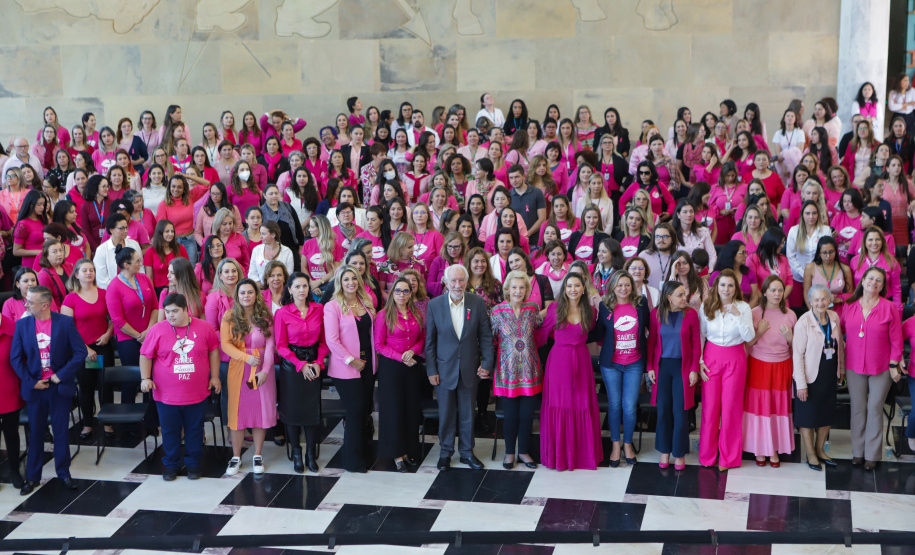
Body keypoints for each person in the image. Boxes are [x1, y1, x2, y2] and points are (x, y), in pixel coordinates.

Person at [11, 285, 88, 495]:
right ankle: (33, 477)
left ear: (44, 305)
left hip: (59, 387)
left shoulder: (64, 323)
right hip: (36, 389)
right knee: (35, 434)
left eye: (30, 301)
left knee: (61, 432)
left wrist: (60, 375)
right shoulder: (23, 325)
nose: (26, 304)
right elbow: (15, 359)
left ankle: (63, 473)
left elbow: (80, 352)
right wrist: (30, 381)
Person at [139, 293, 220, 481]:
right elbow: (145, 355)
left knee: (195, 430)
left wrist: (215, 376)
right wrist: (145, 378)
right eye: (167, 312)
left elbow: (214, 351)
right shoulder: (157, 330)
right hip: (166, 394)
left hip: (197, 393)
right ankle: (171, 465)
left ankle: (193, 465)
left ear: (186, 310)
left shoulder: (204, 327)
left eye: (175, 311)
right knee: (169, 431)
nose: (170, 315)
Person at [425, 264, 494, 471]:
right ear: (445, 282)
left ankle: (466, 453)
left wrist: (487, 363)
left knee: (467, 414)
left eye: (461, 280)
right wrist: (431, 370)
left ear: (467, 282)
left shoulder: (477, 302)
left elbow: (486, 337)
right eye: (453, 280)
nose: (457, 284)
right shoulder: (434, 305)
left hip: (469, 369)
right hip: (444, 370)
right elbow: (430, 342)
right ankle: (445, 454)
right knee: (446, 414)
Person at [537, 272, 601, 470]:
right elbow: (541, 336)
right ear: (564, 289)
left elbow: (594, 332)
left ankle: (582, 456)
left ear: (583, 289)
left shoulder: (591, 311)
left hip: (581, 362)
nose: (573, 289)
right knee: (559, 404)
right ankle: (559, 456)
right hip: (558, 363)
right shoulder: (555, 308)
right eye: (569, 286)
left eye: (577, 285)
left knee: (582, 404)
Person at [840, 266, 903, 470]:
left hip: (882, 367)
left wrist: (894, 364)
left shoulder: (888, 307)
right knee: (858, 409)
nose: (874, 283)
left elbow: (896, 340)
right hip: (853, 365)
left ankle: (872, 455)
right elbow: (840, 330)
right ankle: (857, 452)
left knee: (875, 408)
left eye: (879, 280)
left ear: (883, 286)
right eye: (871, 278)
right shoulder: (849, 305)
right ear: (863, 280)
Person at [592, 271, 649, 467]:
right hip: (611, 364)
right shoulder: (605, 305)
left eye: (627, 285)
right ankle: (615, 445)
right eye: (619, 285)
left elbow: (651, 328)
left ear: (632, 286)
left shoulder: (641, 304)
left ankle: (627, 445)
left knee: (630, 407)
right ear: (612, 287)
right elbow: (599, 331)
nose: (623, 289)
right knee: (615, 406)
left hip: (635, 363)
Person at [698, 269, 754, 471]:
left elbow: (748, 337)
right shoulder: (706, 306)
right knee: (710, 409)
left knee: (731, 408)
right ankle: (707, 455)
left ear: (735, 288)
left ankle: (728, 457)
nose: (726, 289)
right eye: (723, 284)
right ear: (716, 286)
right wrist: (700, 360)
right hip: (711, 358)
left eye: (730, 285)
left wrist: (737, 315)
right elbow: (700, 335)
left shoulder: (744, 307)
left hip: (735, 358)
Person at [221, 278, 276, 476]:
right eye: (242, 292)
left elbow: (270, 345)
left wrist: (265, 370)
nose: (246, 296)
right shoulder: (229, 315)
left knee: (260, 412)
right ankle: (236, 456)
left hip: (262, 369)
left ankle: (258, 455)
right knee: (237, 412)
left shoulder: (265, 316)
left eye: (250, 292)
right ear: (237, 296)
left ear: (256, 294)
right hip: (239, 368)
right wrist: (246, 358)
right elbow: (225, 344)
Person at [324, 265, 376, 473]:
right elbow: (332, 340)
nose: (351, 283)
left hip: (368, 365)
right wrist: (350, 360)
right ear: (340, 282)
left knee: (364, 411)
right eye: (346, 279)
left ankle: (364, 451)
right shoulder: (333, 306)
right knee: (354, 411)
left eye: (353, 279)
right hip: (346, 368)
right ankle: (352, 461)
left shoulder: (366, 302)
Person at [274, 272, 328, 473]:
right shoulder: (282, 313)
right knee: (293, 410)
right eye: (297, 286)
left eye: (305, 286)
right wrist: (300, 364)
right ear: (289, 289)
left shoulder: (319, 309)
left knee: (311, 410)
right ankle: (296, 453)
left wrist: (318, 362)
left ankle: (310, 455)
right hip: (292, 364)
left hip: (314, 361)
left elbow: (324, 342)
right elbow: (281, 346)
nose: (302, 290)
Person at [743, 275, 796, 467]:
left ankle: (773, 448)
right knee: (760, 407)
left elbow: (796, 348)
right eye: (773, 290)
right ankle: (759, 448)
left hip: (782, 366)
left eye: (780, 290)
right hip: (759, 365)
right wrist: (759, 332)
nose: (777, 294)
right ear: (764, 292)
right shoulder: (755, 313)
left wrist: (791, 338)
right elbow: (746, 343)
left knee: (776, 407)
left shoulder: (790, 315)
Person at [647, 281, 700, 470]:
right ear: (668, 297)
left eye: (684, 294)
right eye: (680, 295)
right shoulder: (656, 314)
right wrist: (650, 367)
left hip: (683, 367)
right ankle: (664, 450)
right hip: (662, 367)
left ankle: (678, 453)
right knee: (663, 411)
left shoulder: (691, 314)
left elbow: (695, 343)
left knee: (681, 411)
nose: (684, 298)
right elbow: (652, 341)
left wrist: (694, 369)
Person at [374, 276, 425, 472]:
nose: (401, 294)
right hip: (392, 368)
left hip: (412, 366)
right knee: (393, 411)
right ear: (392, 293)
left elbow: (422, 338)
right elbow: (379, 345)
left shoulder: (416, 313)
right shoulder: (383, 315)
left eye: (405, 291)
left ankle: (408, 450)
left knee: (410, 410)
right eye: (398, 291)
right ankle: (396, 454)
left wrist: (413, 351)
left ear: (411, 293)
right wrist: (400, 357)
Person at [793, 285, 844, 471]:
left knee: (826, 414)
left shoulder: (834, 317)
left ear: (829, 300)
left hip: (829, 374)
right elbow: (797, 354)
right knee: (808, 417)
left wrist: (842, 371)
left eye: (824, 299)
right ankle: (810, 454)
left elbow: (840, 348)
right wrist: (801, 384)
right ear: (810, 301)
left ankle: (820, 449)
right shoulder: (803, 322)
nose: (820, 303)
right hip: (809, 377)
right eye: (816, 299)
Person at [94, 213, 141, 289]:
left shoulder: (134, 245)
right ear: (111, 230)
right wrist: (119, 290)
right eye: (121, 228)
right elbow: (102, 280)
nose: (125, 231)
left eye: (126, 227)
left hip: (134, 288)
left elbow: (140, 268)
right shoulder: (101, 250)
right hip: (112, 290)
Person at [637, 223, 680, 290]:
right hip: (649, 297)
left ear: (672, 239)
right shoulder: (643, 256)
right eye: (657, 237)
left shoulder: (679, 257)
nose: (661, 240)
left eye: (665, 236)